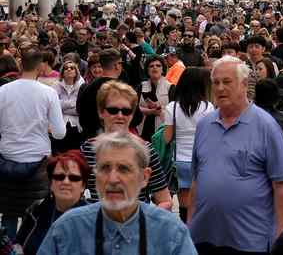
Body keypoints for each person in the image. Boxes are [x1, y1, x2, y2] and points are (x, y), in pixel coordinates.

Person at [188, 55, 283, 253]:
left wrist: (281, 239)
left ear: (245, 84)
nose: (220, 88)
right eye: (216, 82)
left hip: (249, 241)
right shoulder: (203, 125)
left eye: (227, 82)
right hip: (203, 238)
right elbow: (196, 181)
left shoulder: (267, 126)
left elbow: (282, 187)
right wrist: (190, 225)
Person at [37, 132, 196, 255]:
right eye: (105, 168)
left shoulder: (171, 233)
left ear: (144, 177)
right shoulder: (68, 229)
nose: (113, 179)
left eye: (124, 169)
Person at [0, 48, 66, 240]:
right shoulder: (48, 93)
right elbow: (60, 133)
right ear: (39, 67)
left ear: (21, 65)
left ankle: (8, 248)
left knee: (9, 213)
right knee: (38, 213)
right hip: (38, 159)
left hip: (7, 158)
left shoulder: (2, 91)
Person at [80, 81, 172, 210]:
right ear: (101, 112)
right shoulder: (88, 150)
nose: (120, 116)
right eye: (113, 110)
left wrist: (145, 220)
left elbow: (165, 200)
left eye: (126, 111)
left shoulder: (145, 150)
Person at [162, 67, 214, 223]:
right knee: (197, 201)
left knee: (183, 202)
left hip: (180, 160)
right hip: (200, 159)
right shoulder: (208, 107)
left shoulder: (172, 107)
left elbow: (167, 138)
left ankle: (185, 229)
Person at [15, 151, 90, 255]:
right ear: (51, 183)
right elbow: (18, 246)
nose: (66, 182)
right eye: (59, 177)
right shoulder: (36, 211)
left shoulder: (92, 220)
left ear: (83, 186)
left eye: (74, 178)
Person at [52, 60, 85, 154]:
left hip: (77, 126)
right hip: (60, 124)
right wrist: (71, 104)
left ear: (76, 72)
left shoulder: (81, 86)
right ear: (62, 72)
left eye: (72, 68)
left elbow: (80, 107)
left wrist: (62, 106)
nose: (69, 69)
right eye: (66, 68)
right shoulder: (56, 85)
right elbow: (53, 105)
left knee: (74, 153)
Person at [138, 56, 171, 140]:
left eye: (158, 65)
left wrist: (160, 108)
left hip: (162, 130)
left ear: (163, 69)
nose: (155, 67)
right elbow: (135, 108)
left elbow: (174, 111)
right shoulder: (141, 86)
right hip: (144, 129)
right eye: (151, 66)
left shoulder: (170, 87)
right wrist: (150, 111)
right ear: (147, 70)